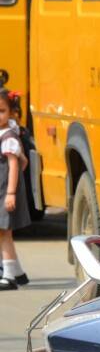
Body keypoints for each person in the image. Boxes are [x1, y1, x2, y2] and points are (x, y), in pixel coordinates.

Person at [0, 88, 31, 290]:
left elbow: (14, 165)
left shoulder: (8, 136)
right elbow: (24, 160)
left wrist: (11, 192)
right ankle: (18, 273)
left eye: (1, 111)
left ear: (11, 112)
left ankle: (9, 276)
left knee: (4, 233)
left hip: (5, 192)